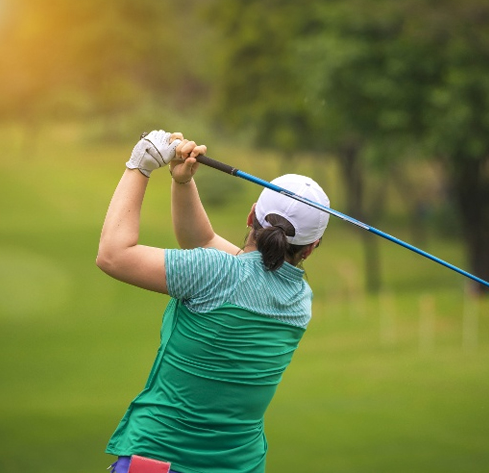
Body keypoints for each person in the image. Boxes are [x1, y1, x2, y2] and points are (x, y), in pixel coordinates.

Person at [96, 129, 330, 473]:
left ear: (251, 216)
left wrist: (139, 165)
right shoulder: (299, 301)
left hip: (160, 459)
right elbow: (203, 241)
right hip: (240, 467)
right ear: (312, 248)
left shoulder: (217, 273)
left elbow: (113, 255)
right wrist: (183, 182)